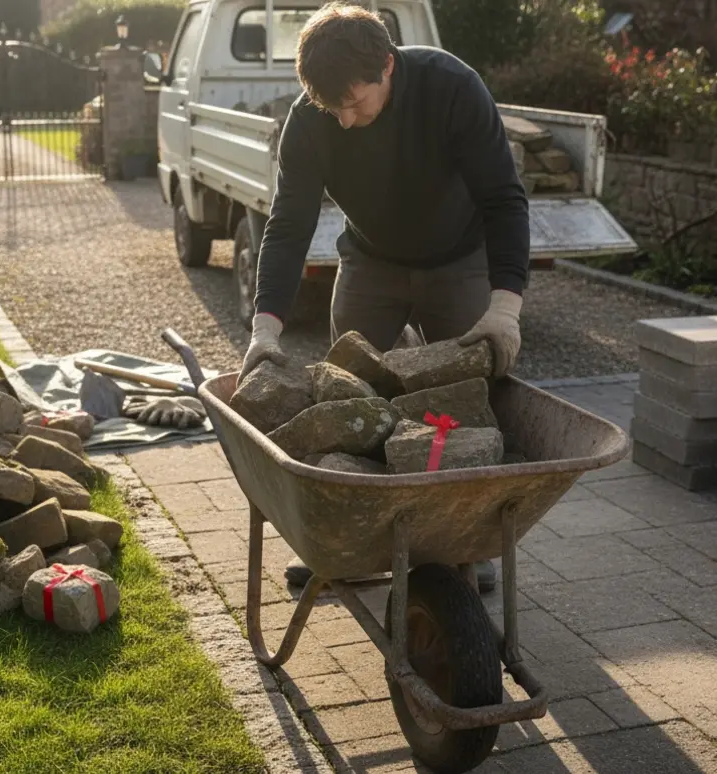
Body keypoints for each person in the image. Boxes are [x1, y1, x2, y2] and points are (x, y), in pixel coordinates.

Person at [238, 3, 531, 591]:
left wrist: (505, 308)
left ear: (388, 68)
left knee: (463, 401)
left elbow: (504, 199)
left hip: (458, 257)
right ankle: (349, 540)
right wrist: (265, 328)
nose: (343, 120)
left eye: (355, 102)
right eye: (330, 107)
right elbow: (289, 225)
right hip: (371, 261)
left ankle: (463, 544)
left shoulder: (452, 89)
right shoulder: (313, 116)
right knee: (350, 395)